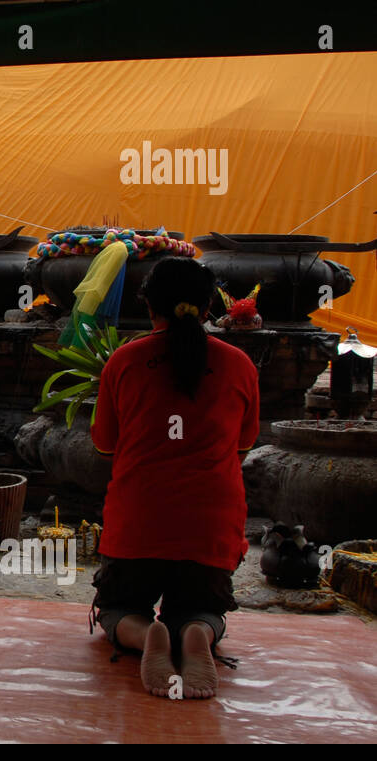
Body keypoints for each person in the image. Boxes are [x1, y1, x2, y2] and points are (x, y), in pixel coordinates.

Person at [89, 256, 259, 699]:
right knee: (204, 608)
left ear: (150, 306)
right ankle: (197, 632)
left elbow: (105, 445)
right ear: (208, 309)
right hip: (210, 529)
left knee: (117, 608)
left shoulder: (124, 362)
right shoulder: (240, 365)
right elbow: (242, 447)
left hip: (138, 525)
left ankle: (147, 635)